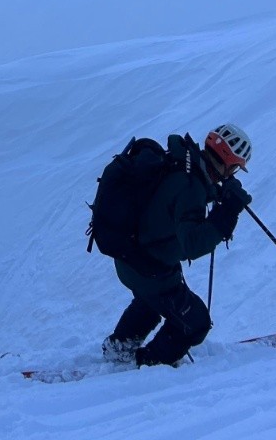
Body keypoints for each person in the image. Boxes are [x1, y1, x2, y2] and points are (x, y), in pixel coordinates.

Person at [103, 122, 252, 368]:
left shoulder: (184, 163)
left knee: (153, 302)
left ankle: (119, 347)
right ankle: (149, 363)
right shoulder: (190, 185)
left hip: (132, 258)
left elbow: (175, 204)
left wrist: (220, 198)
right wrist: (228, 214)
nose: (234, 174)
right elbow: (193, 243)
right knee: (196, 323)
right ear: (228, 161)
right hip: (149, 268)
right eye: (236, 167)